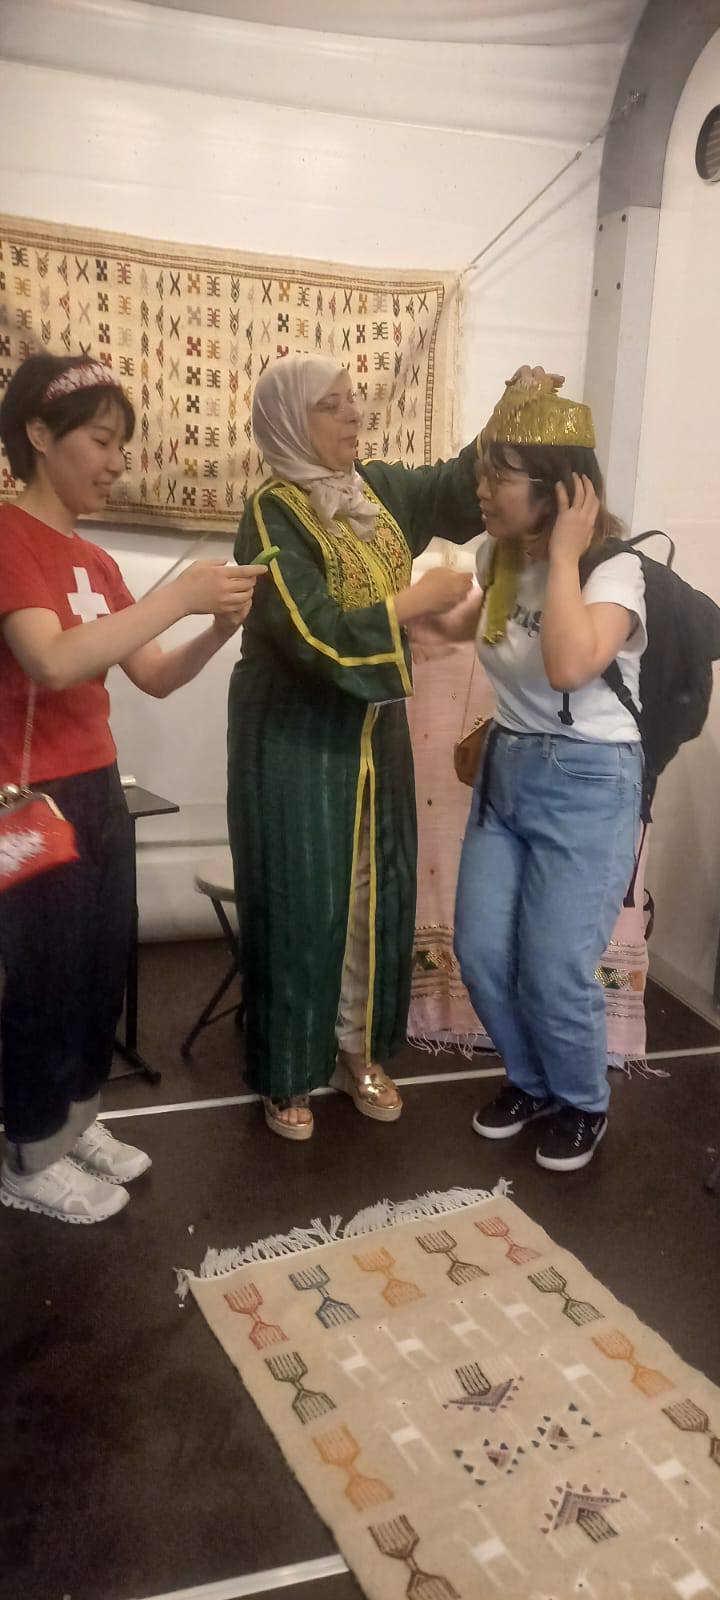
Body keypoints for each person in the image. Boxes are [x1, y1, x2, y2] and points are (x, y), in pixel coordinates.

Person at [0, 353, 264, 1223]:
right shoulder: (8, 534)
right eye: (102, 441)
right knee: (39, 978)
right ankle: (27, 1154)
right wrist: (179, 596)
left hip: (98, 786)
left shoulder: (97, 560)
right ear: (39, 435)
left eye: (123, 444)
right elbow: (52, 658)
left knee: (95, 970)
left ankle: (73, 1121)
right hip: (28, 802)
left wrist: (215, 628)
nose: (117, 462)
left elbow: (151, 675)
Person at [228, 353, 482, 1140]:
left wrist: (513, 414)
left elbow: (453, 485)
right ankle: (286, 1071)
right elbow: (312, 633)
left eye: (353, 400)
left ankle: (355, 1051)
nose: (353, 415)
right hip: (295, 734)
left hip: (374, 733)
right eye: (330, 405)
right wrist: (412, 601)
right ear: (287, 422)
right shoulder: (272, 513)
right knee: (301, 898)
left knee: (377, 891)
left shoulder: (374, 491)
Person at [454, 368, 646, 1172]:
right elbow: (480, 626)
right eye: (484, 472)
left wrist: (565, 553)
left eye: (500, 476)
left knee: (553, 966)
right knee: (479, 951)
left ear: (562, 490)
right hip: (507, 771)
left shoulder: (614, 572)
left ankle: (581, 1101)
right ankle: (531, 1082)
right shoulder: (497, 557)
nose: (483, 490)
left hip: (589, 783)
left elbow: (568, 665)